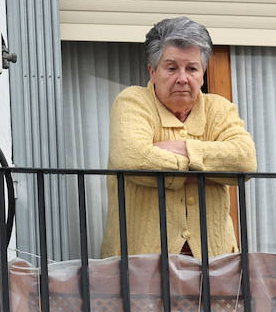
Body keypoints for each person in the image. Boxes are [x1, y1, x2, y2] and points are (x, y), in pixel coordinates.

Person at [99, 16, 257, 259]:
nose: (183, 78)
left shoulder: (219, 109)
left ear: (203, 74)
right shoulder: (133, 101)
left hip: (213, 264)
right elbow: (131, 158)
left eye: (192, 68)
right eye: (172, 68)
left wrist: (177, 150)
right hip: (140, 263)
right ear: (152, 71)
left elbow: (245, 160)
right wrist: (206, 171)